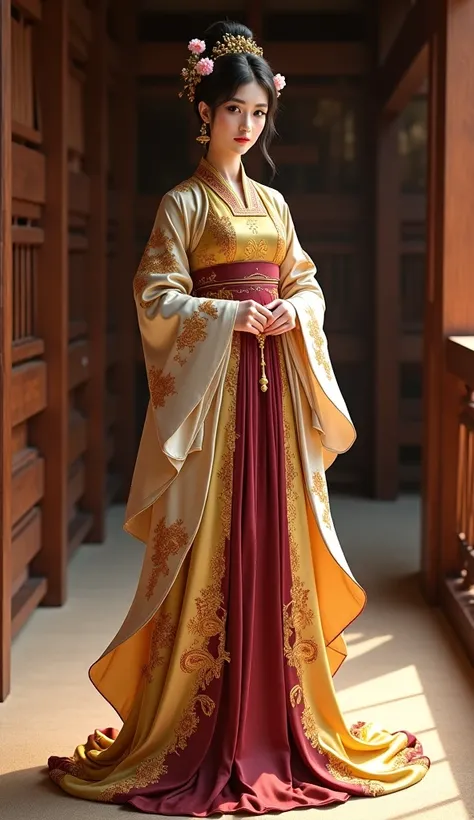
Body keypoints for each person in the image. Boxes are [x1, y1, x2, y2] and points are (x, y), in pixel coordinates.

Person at [47, 20, 429, 815]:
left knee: (276, 537)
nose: (247, 128)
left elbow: (308, 282)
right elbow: (155, 298)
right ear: (206, 113)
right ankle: (200, 722)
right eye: (234, 113)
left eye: (258, 114)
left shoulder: (276, 204)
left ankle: (280, 714)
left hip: (274, 396)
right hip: (217, 398)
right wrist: (227, 319)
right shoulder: (183, 203)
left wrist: (294, 310)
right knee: (218, 539)